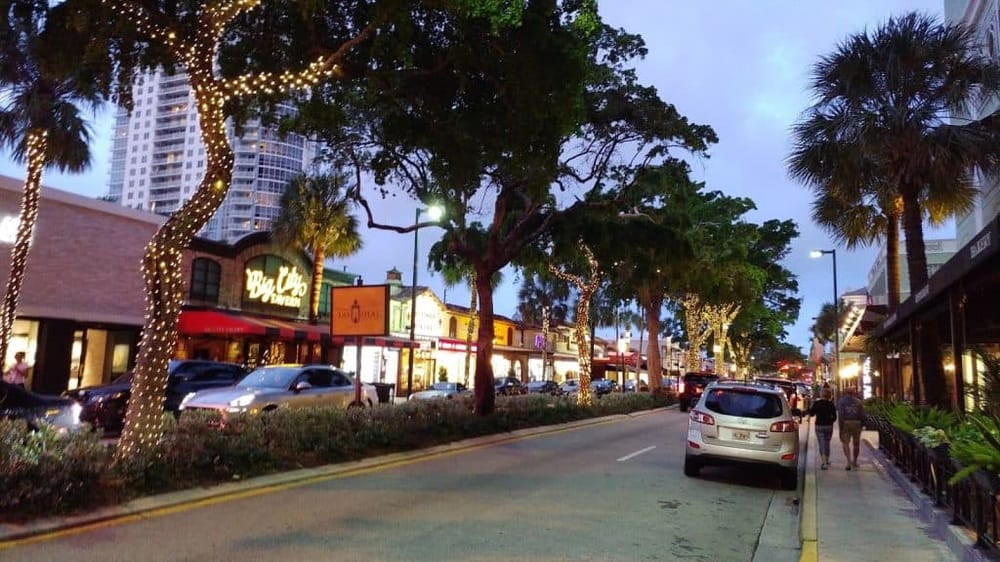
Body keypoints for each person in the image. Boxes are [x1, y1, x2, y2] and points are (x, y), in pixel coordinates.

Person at [837, 386, 866, 470]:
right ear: (854, 393)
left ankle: (848, 461)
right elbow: (862, 414)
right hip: (857, 423)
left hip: (846, 422)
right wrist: (862, 424)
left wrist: (841, 426)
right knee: (856, 444)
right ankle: (855, 461)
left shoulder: (841, 401)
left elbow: (841, 414)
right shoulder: (858, 402)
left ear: (845, 392)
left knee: (845, 443)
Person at [808, 387, 838, 469]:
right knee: (827, 442)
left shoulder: (817, 403)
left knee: (821, 443)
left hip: (819, 425)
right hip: (829, 425)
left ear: (821, 394)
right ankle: (827, 460)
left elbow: (811, 414)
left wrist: (810, 407)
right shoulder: (831, 404)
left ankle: (824, 462)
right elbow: (835, 417)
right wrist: (831, 421)